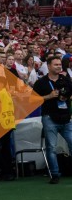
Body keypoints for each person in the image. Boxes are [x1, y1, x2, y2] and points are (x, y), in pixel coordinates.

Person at [34, 55, 72, 184]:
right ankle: (55, 174)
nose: (59, 66)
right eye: (56, 64)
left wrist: (65, 97)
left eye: (60, 64)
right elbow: (33, 100)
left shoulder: (66, 79)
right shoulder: (41, 82)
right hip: (49, 117)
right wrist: (48, 96)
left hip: (66, 117)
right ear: (49, 66)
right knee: (51, 147)